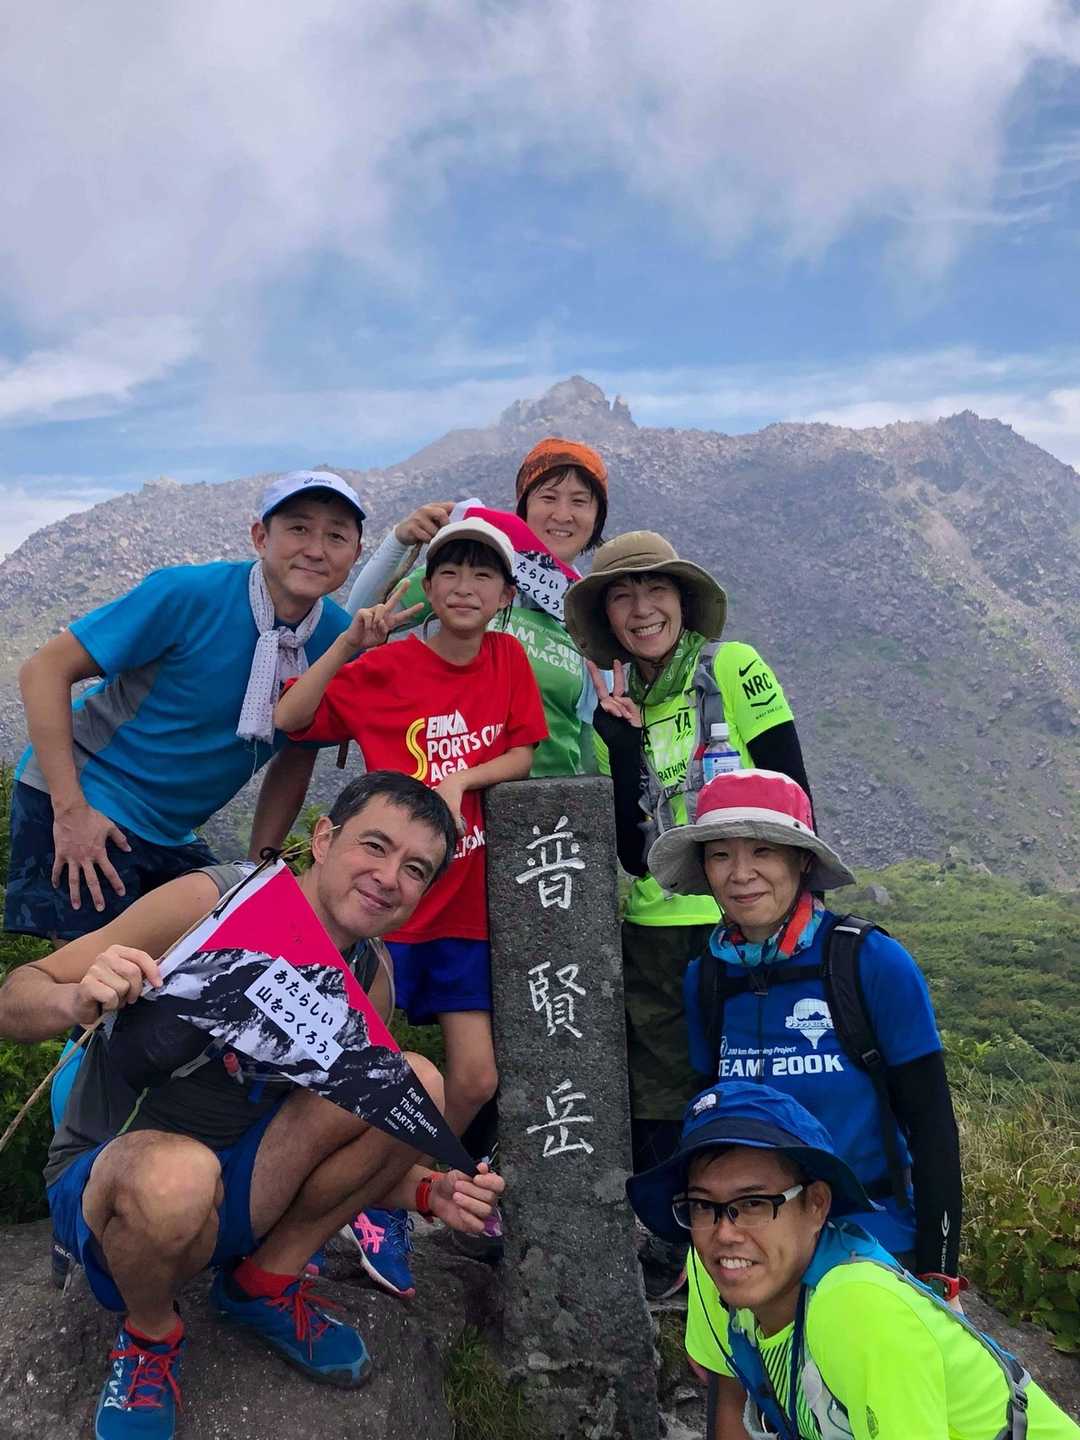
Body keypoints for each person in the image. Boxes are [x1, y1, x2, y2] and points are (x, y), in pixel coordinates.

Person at [0, 772, 505, 1440]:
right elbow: (15, 996)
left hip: (240, 1188)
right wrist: (74, 997)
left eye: (415, 869)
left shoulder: (369, 980)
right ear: (323, 839)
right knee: (175, 1177)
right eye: (374, 846)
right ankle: (150, 1335)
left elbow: (327, 1140)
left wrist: (425, 1192)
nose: (388, 878)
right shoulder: (210, 902)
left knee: (415, 1084)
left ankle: (262, 1284)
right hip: (116, 1191)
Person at [274, 516, 548, 1292]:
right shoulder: (387, 668)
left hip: (461, 906)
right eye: (449, 572)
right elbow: (291, 720)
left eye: (483, 574)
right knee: (348, 1068)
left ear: (506, 595)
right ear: (427, 586)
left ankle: (388, 1190)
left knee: (475, 1079)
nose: (465, 587)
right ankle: (320, 1205)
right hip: (382, 909)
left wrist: (463, 779)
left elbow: (524, 748)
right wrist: (351, 644)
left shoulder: (507, 658)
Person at [5, 470, 367, 944]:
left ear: (355, 553)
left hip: (169, 830)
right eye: (298, 528)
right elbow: (44, 670)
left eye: (336, 536)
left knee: (214, 955)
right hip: (87, 792)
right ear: (261, 537)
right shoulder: (188, 593)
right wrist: (70, 810)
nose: (316, 549)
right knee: (91, 973)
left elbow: (296, 757)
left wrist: (259, 867)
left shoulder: (338, 641)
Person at [562, 533, 811, 1199]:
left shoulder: (732, 668)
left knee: (755, 1077)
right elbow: (632, 855)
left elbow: (794, 796)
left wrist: (793, 917)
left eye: (656, 589)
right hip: (653, 933)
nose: (642, 609)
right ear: (606, 618)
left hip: (746, 919)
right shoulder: (611, 710)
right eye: (622, 596)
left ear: (682, 599)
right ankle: (676, 1228)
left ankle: (759, 1215)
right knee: (662, 1094)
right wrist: (621, 747)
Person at [647, 767, 962, 1288]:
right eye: (720, 854)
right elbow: (710, 1119)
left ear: (802, 860)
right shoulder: (707, 978)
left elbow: (932, 1129)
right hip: (751, 1251)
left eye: (762, 851)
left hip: (871, 1244)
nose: (740, 873)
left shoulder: (869, 961)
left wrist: (940, 1270)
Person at [626, 1080, 1078, 1440]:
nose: (725, 1233)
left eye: (755, 1203)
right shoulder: (716, 1271)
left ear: (817, 1205)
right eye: (703, 1205)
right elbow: (730, 1395)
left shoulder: (857, 1307)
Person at [344, 436, 608, 778]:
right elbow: (356, 619)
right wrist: (399, 540)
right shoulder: (473, 576)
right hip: (455, 795)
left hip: (552, 800)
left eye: (580, 501)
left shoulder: (589, 613)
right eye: (548, 497)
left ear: (596, 518)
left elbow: (588, 739)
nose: (562, 514)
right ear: (524, 508)